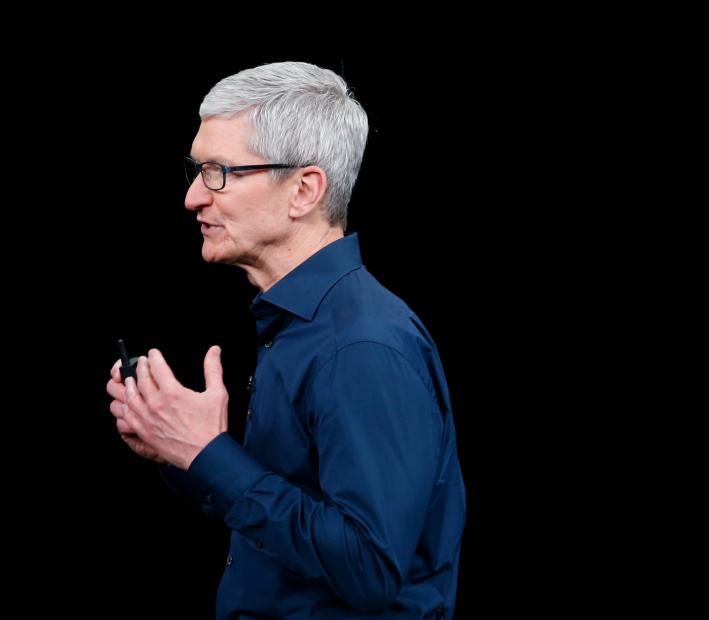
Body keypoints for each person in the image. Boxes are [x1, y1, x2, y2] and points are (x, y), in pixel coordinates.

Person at [105, 61, 465, 619]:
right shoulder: (299, 326)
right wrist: (181, 450)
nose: (193, 198)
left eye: (218, 171)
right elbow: (288, 520)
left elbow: (369, 568)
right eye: (195, 170)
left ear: (304, 190)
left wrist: (210, 455)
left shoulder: (362, 348)